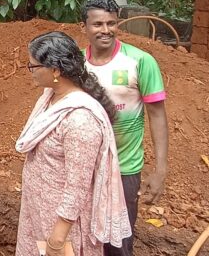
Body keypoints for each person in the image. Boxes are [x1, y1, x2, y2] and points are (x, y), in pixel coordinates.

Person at [15, 31, 131, 256]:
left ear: (55, 70)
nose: (31, 73)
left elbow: (77, 185)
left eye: (34, 67)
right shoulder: (51, 98)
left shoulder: (80, 120)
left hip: (61, 226)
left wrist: (58, 237)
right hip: (38, 214)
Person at [80, 0, 169, 256]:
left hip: (124, 169)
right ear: (84, 26)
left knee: (118, 243)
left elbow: (157, 115)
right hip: (84, 167)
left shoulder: (140, 62)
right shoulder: (76, 65)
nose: (105, 30)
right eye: (97, 24)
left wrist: (160, 170)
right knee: (83, 238)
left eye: (111, 23)